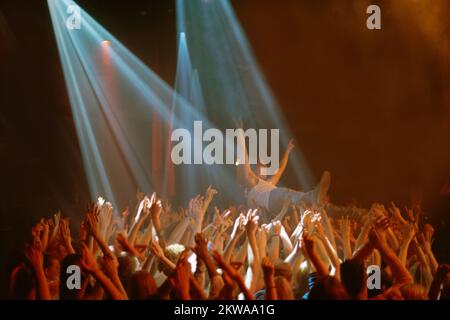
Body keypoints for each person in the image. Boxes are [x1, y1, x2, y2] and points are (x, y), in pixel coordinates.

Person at [236, 127, 331, 216]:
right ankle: (312, 197)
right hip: (271, 202)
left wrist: (287, 151)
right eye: (259, 166)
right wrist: (240, 133)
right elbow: (244, 161)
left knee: (293, 200)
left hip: (277, 206)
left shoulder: (268, 183)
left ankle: (316, 205)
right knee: (284, 193)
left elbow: (280, 169)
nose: (262, 169)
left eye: (263, 166)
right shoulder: (250, 185)